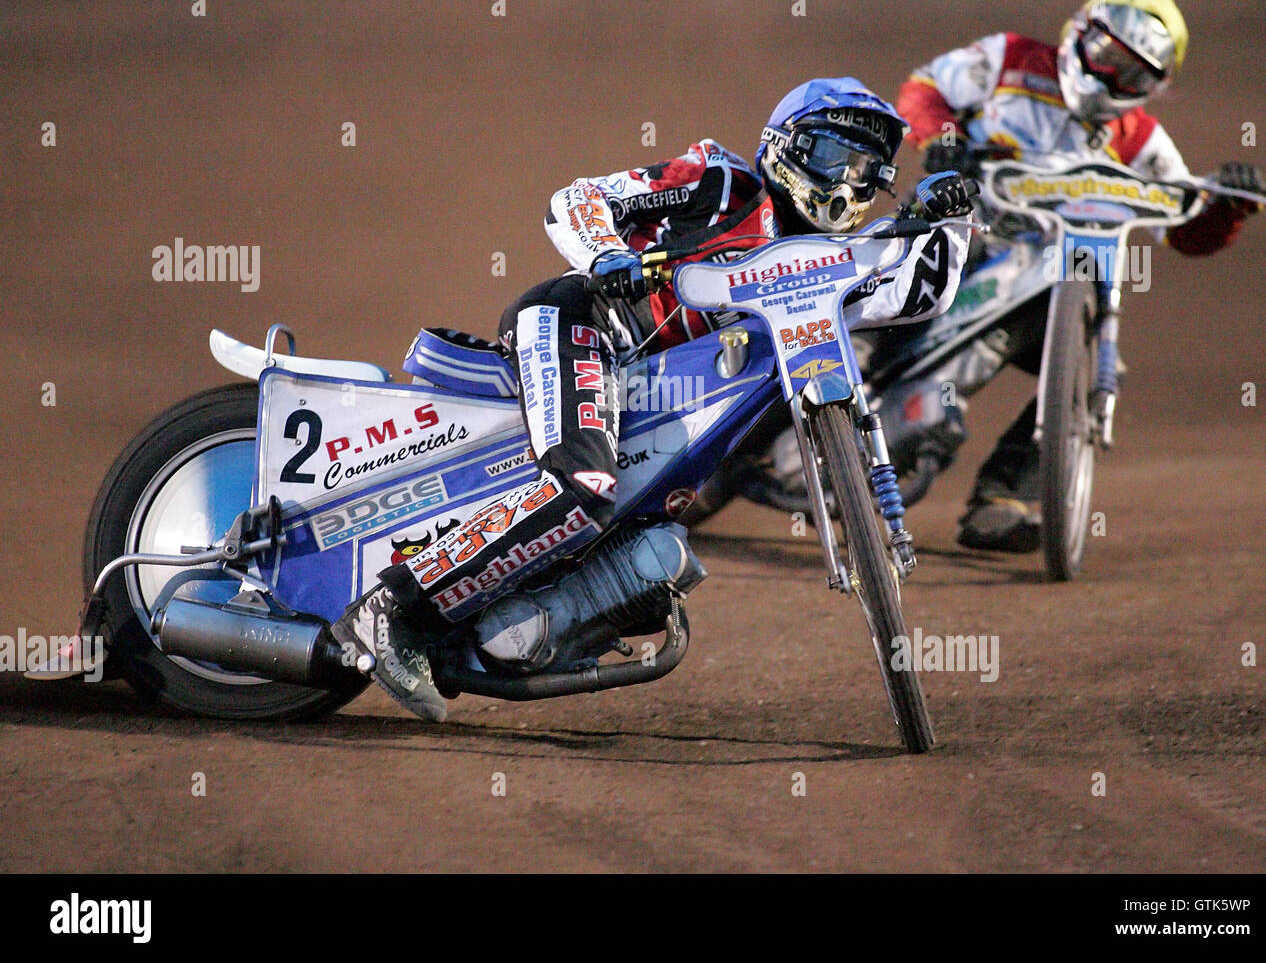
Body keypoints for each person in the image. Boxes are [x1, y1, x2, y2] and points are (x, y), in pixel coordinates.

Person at [332, 77, 977, 719]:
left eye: (868, 173)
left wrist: (952, 218)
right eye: (838, 159)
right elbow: (579, 198)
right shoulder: (721, 181)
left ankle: (487, 635)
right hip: (584, 323)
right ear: (789, 145)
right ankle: (386, 609)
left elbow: (917, 293)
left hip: (652, 397)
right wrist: (607, 254)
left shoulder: (835, 263)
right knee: (583, 487)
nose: (849, 184)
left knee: (653, 557)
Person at [895, 0, 1266, 552]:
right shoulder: (1010, 58)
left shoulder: (1141, 138)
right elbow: (923, 88)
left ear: (1154, 88)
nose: (1110, 78)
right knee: (891, 286)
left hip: (1043, 279)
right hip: (960, 233)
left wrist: (1227, 207)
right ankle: (807, 389)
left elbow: (1183, 229)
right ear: (1081, 31)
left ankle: (1006, 497)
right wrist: (940, 140)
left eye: (1133, 73)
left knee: (1089, 365)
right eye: (1107, 56)